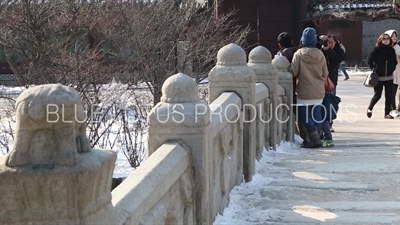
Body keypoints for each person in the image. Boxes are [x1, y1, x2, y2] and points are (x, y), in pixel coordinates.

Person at [290, 27, 328, 148]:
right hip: (318, 90)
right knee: (317, 114)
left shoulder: (299, 54)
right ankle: (318, 136)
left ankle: (313, 138)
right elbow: (325, 74)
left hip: (304, 90)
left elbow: (293, 71)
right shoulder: (320, 54)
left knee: (305, 115)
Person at [276, 32, 309, 146]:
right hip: (303, 86)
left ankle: (300, 136)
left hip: (288, 88)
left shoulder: (281, 56)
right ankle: (308, 136)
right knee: (303, 114)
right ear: (292, 42)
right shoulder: (300, 53)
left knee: (292, 113)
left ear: (280, 45)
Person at [366, 33, 398, 119]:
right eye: (384, 39)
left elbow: (395, 61)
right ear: (381, 40)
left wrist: (392, 68)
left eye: (388, 38)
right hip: (378, 77)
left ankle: (387, 113)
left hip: (389, 76)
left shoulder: (391, 50)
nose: (386, 40)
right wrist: (374, 69)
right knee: (378, 95)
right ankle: (370, 108)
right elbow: (369, 60)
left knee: (389, 96)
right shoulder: (376, 50)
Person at [318, 34, 345, 132]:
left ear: (335, 42)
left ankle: (329, 123)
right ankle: (321, 123)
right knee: (320, 102)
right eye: (327, 42)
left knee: (330, 103)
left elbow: (338, 59)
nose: (329, 44)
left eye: (331, 42)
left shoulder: (338, 50)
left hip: (332, 82)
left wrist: (329, 50)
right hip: (320, 81)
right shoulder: (320, 51)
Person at [385, 30, 400, 113]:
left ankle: (397, 108)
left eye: (395, 36)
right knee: (392, 92)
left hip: (398, 71)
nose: (394, 38)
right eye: (392, 36)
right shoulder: (387, 48)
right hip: (391, 72)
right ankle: (392, 108)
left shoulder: (398, 47)